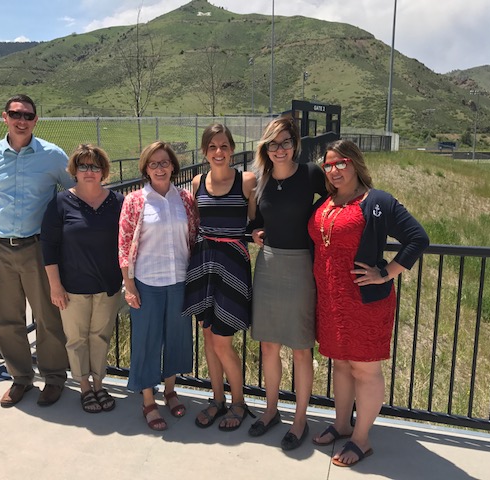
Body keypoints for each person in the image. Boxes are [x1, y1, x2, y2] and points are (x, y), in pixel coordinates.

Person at [308, 139, 429, 467]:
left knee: (365, 368)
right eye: (328, 165)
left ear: (355, 163)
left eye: (340, 162)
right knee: (342, 364)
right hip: (332, 301)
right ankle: (342, 424)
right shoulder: (327, 202)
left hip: (364, 302)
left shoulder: (377, 201)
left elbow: (418, 238)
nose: (334, 170)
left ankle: (361, 440)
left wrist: (386, 273)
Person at [0, 94, 73, 408]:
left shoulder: (53, 156)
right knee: (7, 319)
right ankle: (20, 378)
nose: (22, 120)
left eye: (28, 115)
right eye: (15, 114)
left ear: (35, 120)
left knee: (47, 317)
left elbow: (71, 190)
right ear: (5, 117)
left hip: (37, 248)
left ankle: (54, 378)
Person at [248, 116, 327, 450]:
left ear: (295, 144)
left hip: (299, 267)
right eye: (273, 143)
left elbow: (335, 202)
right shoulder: (261, 181)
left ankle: (300, 420)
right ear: (265, 147)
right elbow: (256, 222)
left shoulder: (310, 174)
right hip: (267, 265)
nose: (279, 149)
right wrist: (254, 232)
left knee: (299, 347)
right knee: (268, 344)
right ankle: (270, 411)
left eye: (285, 142)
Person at [118, 141, 198, 431]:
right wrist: (129, 285)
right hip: (146, 282)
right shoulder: (135, 201)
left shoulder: (186, 200)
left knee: (177, 339)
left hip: (179, 280)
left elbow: (193, 236)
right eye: (154, 164)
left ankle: (170, 390)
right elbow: (124, 245)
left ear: (173, 166)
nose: (160, 168)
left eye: (165, 162)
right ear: (145, 169)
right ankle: (148, 398)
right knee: (147, 341)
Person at [41, 144, 125, 413]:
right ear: (74, 170)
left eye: (95, 166)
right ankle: (85, 386)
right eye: (83, 166)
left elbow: (127, 243)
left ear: (103, 171)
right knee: (76, 339)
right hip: (72, 287)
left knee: (100, 336)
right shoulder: (60, 202)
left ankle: (100, 384)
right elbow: (49, 246)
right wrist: (55, 285)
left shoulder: (118, 202)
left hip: (107, 285)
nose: (89, 171)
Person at [183, 124, 257, 431]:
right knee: (209, 339)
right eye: (212, 147)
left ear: (232, 149)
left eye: (224, 146)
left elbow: (256, 221)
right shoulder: (197, 181)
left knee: (223, 342)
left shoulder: (247, 181)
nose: (218, 152)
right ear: (204, 152)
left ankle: (238, 402)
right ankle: (217, 400)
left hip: (232, 264)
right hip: (203, 264)